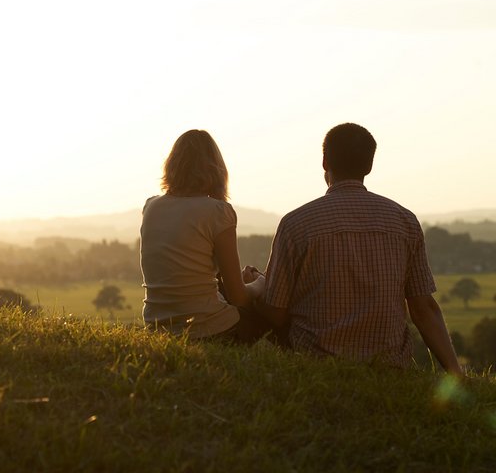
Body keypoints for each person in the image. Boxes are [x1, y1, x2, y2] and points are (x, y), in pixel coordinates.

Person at [259, 123, 463, 375]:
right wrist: (455, 370)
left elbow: (275, 315)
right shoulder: (405, 221)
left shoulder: (296, 223)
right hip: (389, 368)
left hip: (314, 363)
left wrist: (259, 286)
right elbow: (423, 308)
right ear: (369, 166)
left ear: (325, 162)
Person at [140, 129, 266, 341]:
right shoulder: (218, 211)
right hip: (208, 328)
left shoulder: (151, 206)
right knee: (269, 313)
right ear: (216, 169)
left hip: (157, 327)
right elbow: (239, 297)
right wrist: (261, 283)